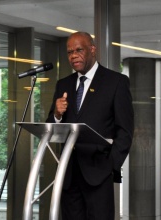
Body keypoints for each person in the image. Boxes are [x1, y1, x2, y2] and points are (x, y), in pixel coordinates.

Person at [46, 31, 134, 220]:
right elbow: (50, 129)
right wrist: (57, 114)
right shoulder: (64, 84)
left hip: (99, 173)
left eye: (79, 50)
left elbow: (125, 131)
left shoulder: (116, 82)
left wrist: (110, 165)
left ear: (92, 50)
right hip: (68, 174)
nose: (74, 55)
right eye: (70, 52)